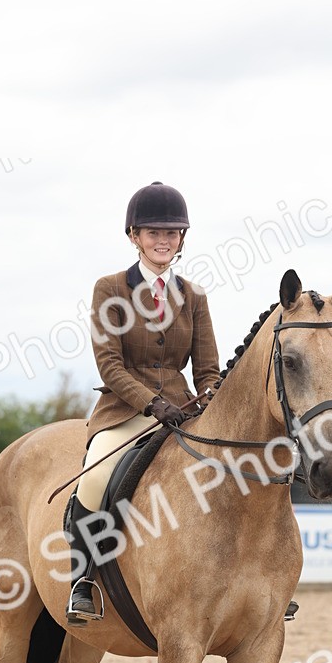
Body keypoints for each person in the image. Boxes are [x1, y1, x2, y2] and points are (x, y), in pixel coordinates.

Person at [66, 181, 221, 624]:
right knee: (95, 477)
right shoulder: (110, 289)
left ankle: (251, 577)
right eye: (153, 232)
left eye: (171, 233)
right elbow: (109, 364)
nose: (163, 241)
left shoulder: (194, 297)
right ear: (134, 235)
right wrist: (153, 404)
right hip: (126, 411)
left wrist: (206, 402)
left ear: (182, 240)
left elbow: (207, 369)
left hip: (182, 413)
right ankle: (84, 579)